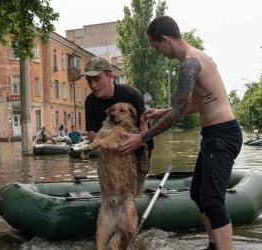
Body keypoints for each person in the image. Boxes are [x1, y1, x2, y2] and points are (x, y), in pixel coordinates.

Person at [118, 16, 242, 250]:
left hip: (223, 135)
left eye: (155, 47)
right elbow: (196, 104)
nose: (157, 52)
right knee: (198, 193)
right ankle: (213, 245)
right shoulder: (197, 58)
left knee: (213, 200)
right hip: (214, 135)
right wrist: (161, 111)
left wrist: (141, 138)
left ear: (165, 40)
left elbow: (177, 114)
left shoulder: (190, 64)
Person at [83, 56, 153, 196]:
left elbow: (145, 128)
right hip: (110, 153)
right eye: (89, 81)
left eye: (97, 79)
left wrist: (134, 143)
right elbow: (91, 132)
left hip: (138, 151)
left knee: (132, 196)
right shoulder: (90, 101)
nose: (93, 85)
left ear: (110, 76)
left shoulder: (131, 95)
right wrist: (107, 144)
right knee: (112, 196)